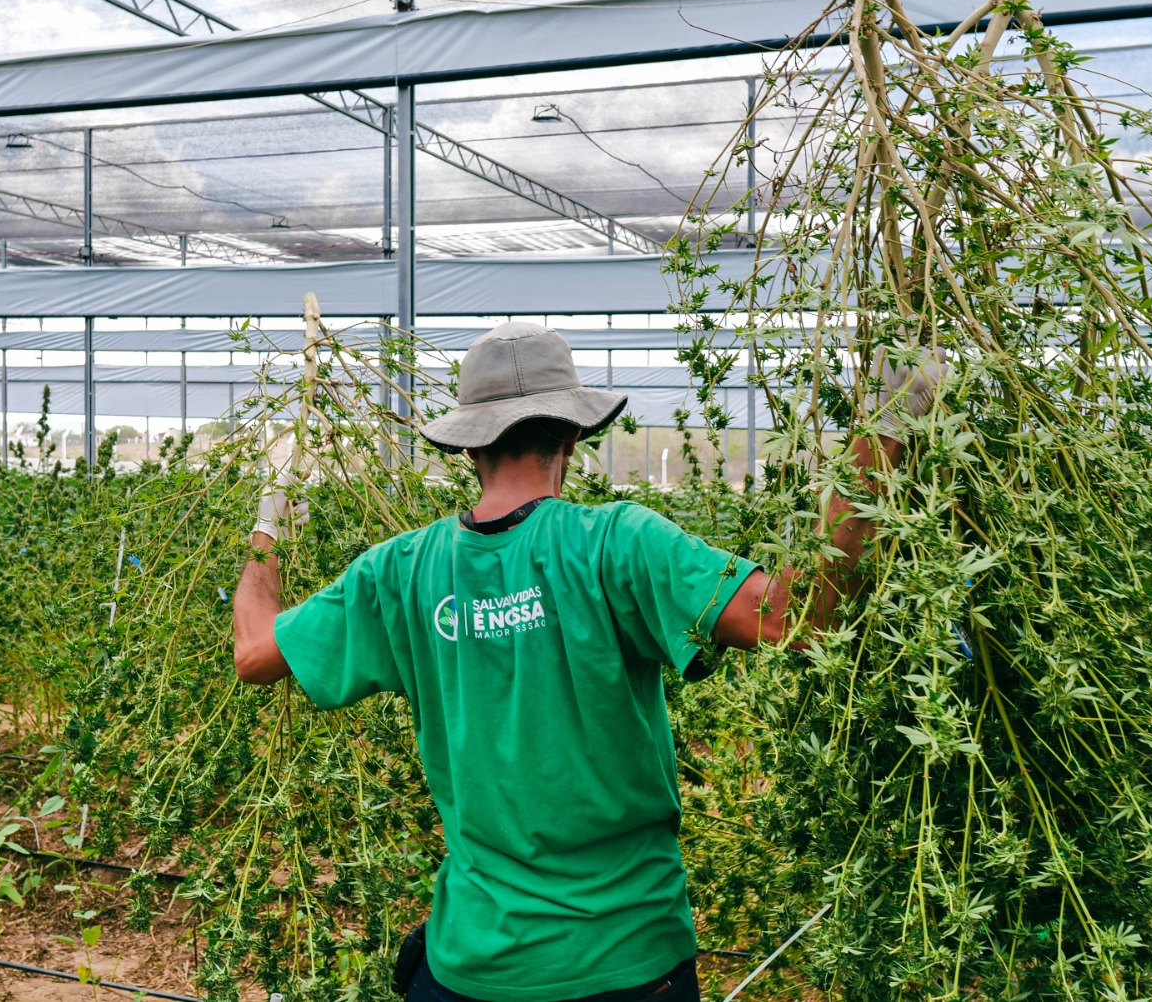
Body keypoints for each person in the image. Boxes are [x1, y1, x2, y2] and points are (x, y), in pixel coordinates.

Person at [232, 322, 943, 1001]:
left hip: (476, 966)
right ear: (575, 434)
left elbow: (255, 653)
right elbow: (795, 617)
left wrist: (270, 518)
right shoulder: (620, 544)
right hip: (629, 962)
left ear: (467, 445)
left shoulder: (399, 571)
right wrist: (889, 429)